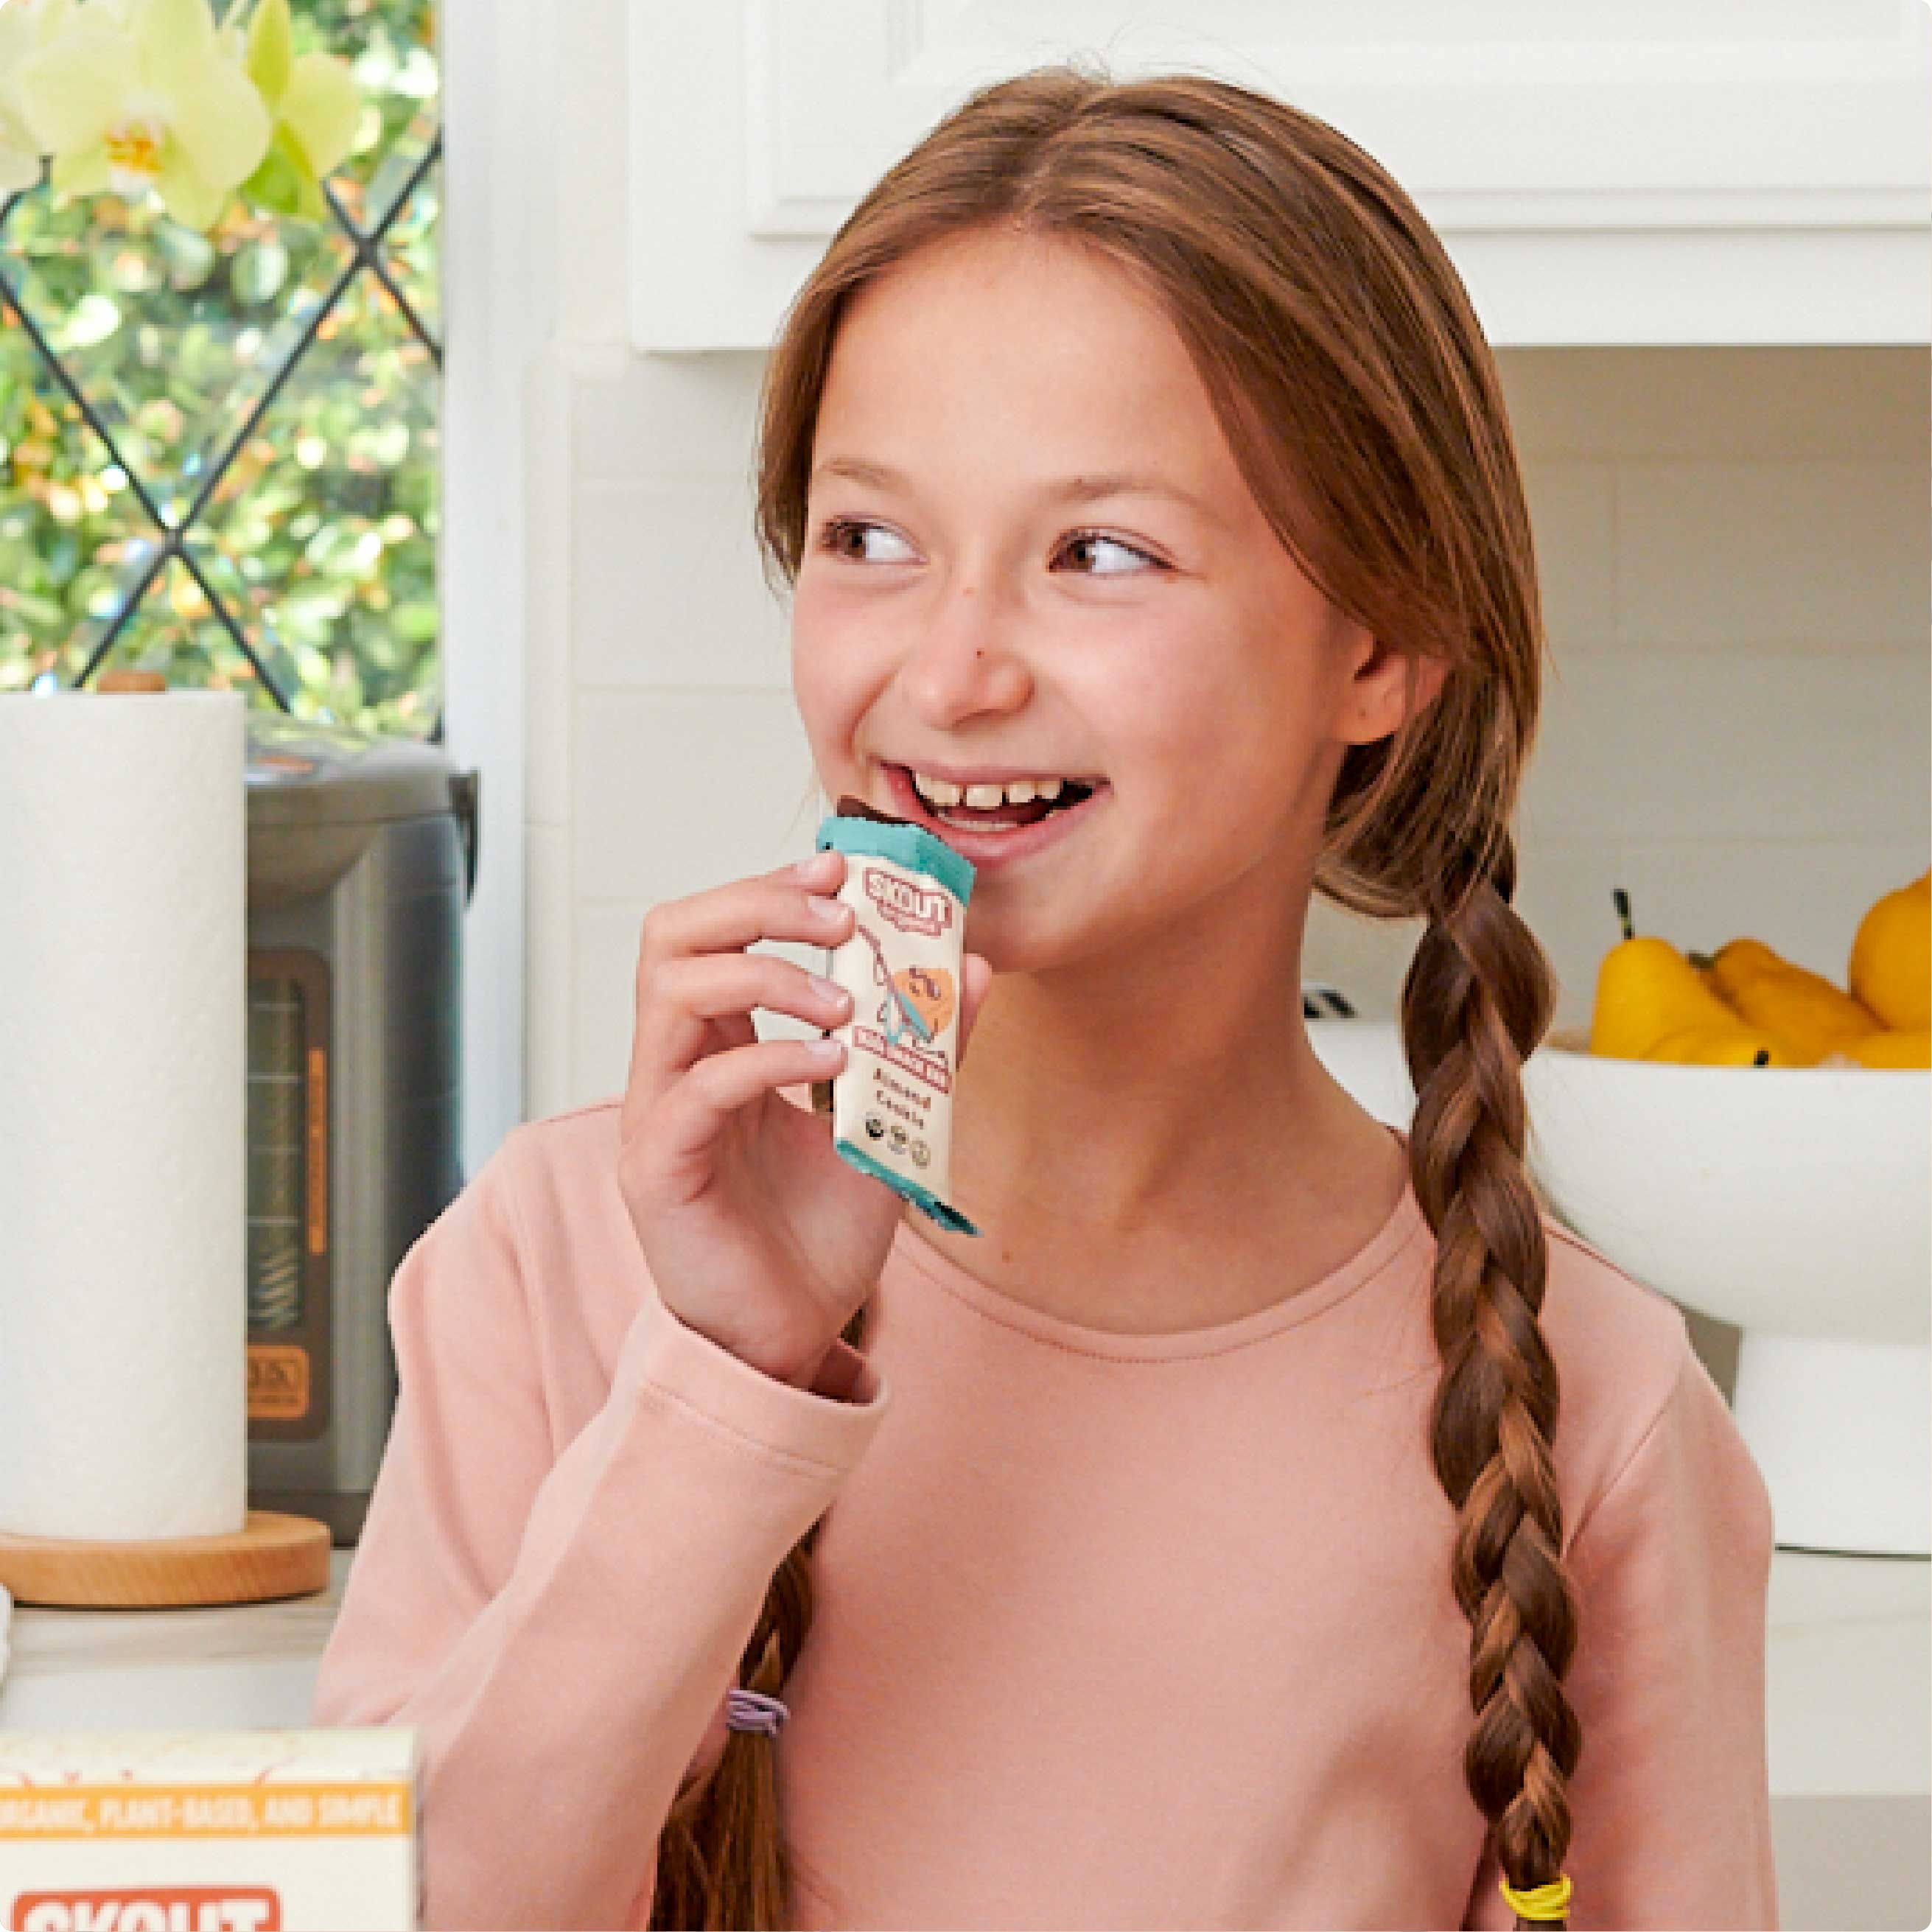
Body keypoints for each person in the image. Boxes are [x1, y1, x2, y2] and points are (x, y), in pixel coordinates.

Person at [311, 60, 1779, 1932]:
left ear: (1387, 645)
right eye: (868, 538)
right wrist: (731, 1389)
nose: (952, 665)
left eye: (1102, 553)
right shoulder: (555, 1263)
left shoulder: (1591, 1409)